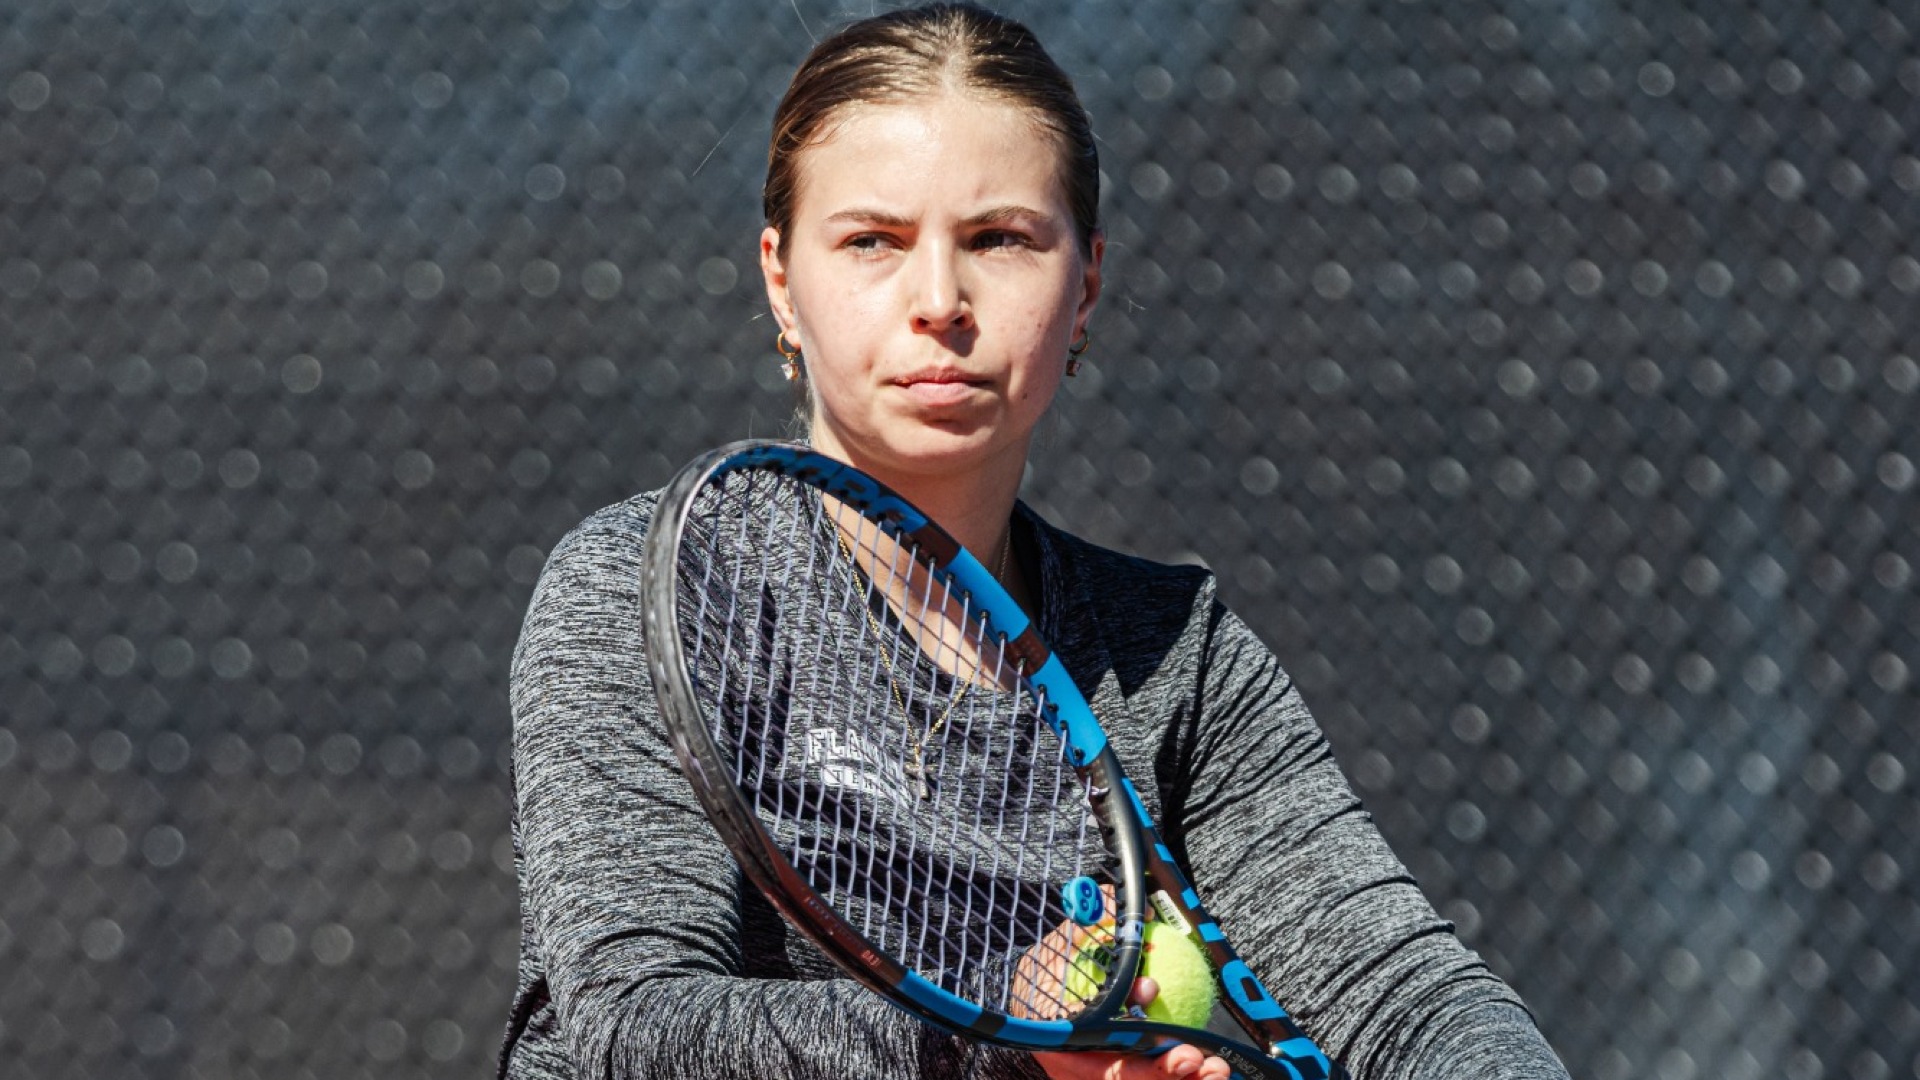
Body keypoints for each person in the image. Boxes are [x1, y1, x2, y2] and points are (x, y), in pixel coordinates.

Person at [499, 4, 1571, 1078]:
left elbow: (1411, 997)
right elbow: (632, 1031)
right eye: (872, 241)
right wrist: (1007, 1040)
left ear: (1087, 282)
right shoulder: (652, 588)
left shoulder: (1172, 657)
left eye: (999, 240)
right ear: (783, 281)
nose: (938, 301)